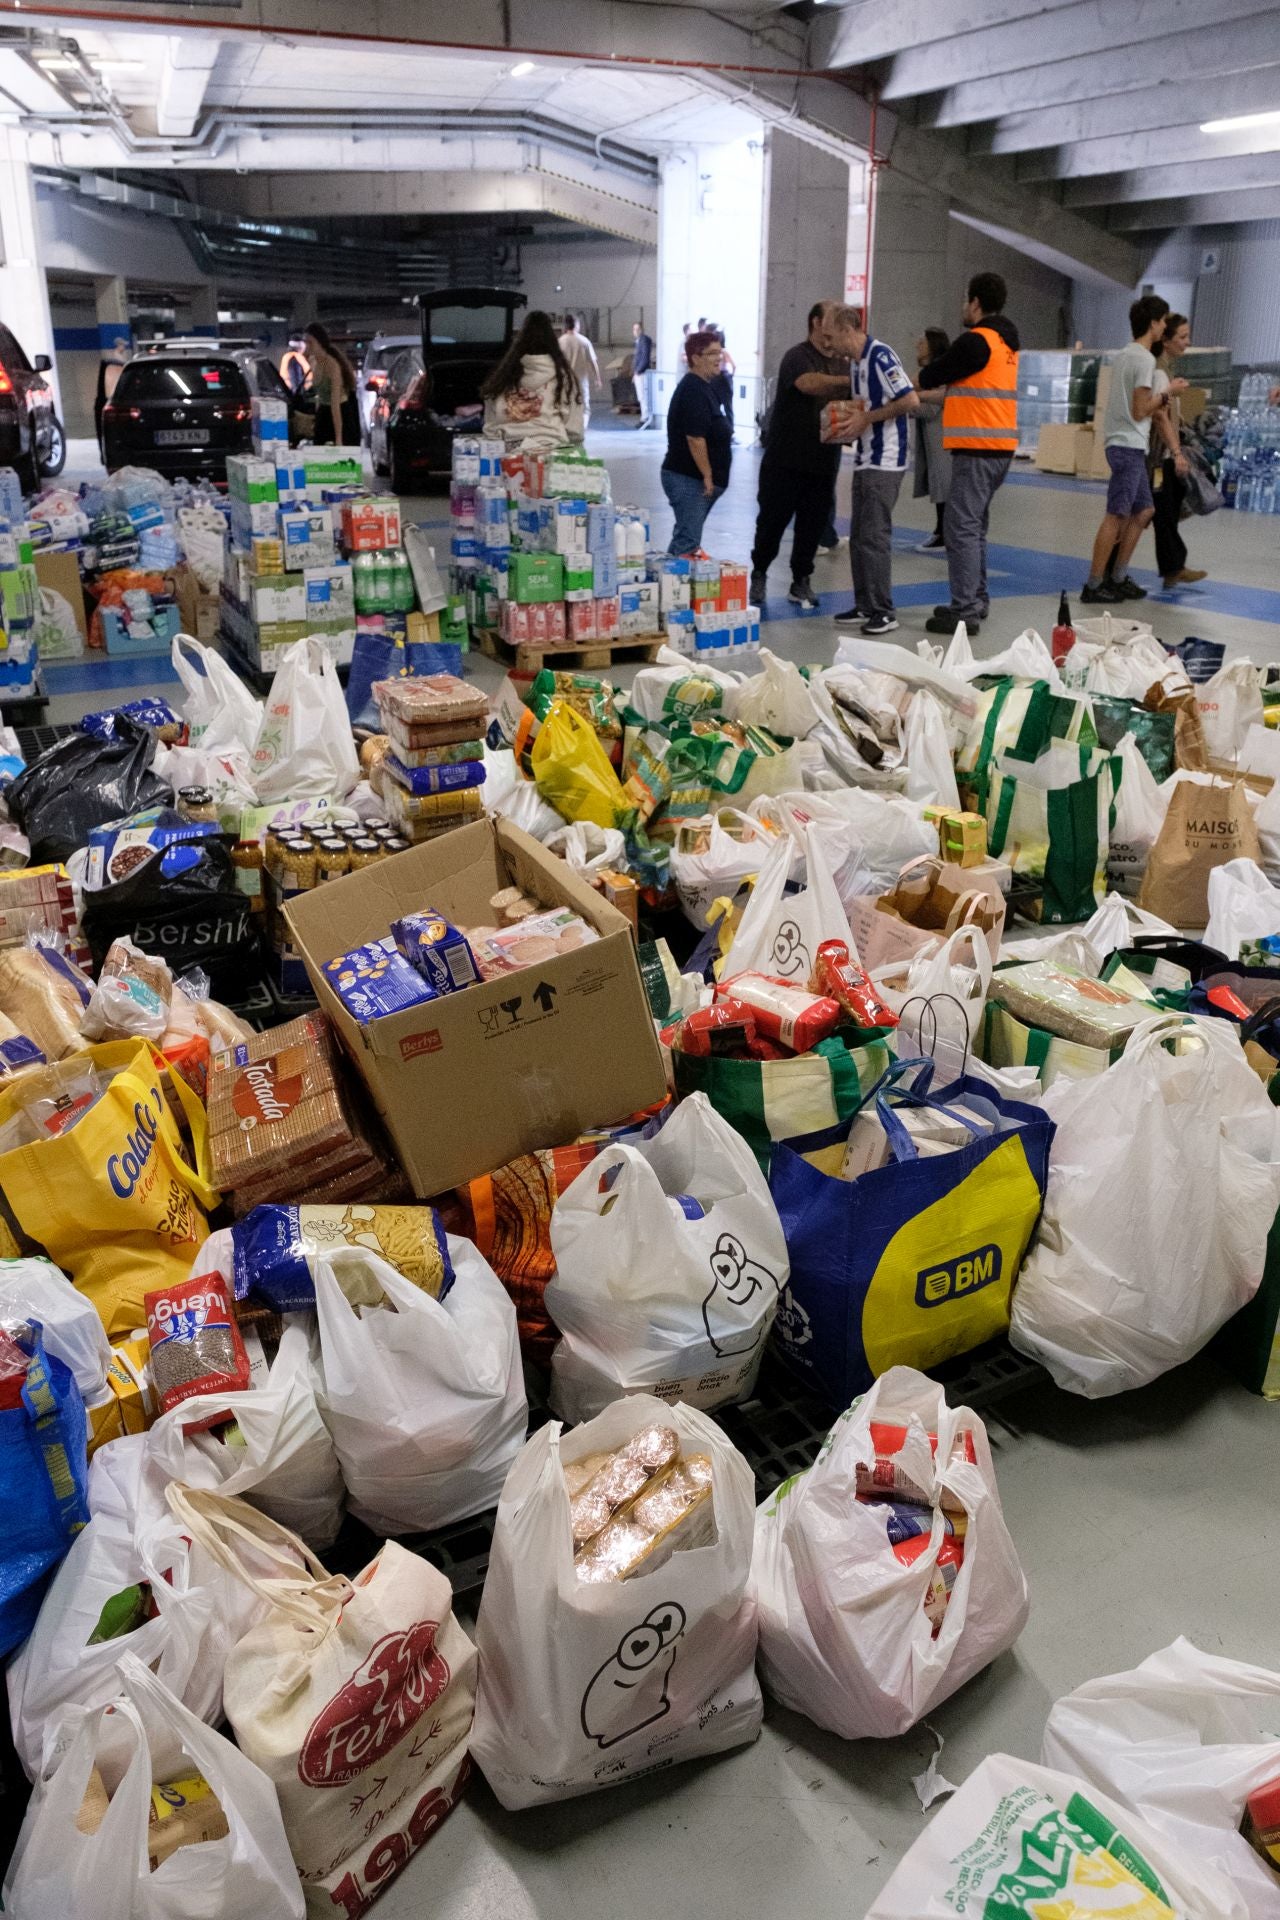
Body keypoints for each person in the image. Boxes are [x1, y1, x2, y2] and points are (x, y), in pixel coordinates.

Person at [918, 271, 1021, 638]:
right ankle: (975, 600)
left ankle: (965, 611)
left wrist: (922, 374)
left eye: (966, 299)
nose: (964, 306)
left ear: (975, 302)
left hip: (977, 447)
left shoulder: (978, 341)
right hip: (999, 448)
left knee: (960, 527)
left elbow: (934, 375)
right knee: (974, 527)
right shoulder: (1007, 344)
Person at [1081, 295, 1183, 605]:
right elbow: (1141, 410)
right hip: (1127, 443)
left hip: (1126, 444)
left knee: (1144, 509)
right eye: (1163, 321)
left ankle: (1118, 576)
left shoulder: (1125, 354)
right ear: (1153, 324)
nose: (1165, 326)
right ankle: (1095, 583)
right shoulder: (1144, 359)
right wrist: (1168, 393)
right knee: (1116, 514)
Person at [749, 300, 849, 612]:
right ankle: (760, 573)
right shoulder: (798, 356)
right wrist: (850, 381)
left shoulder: (844, 362)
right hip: (785, 460)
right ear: (817, 323)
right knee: (772, 522)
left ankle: (801, 580)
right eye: (834, 318)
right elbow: (808, 383)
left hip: (823, 462)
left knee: (812, 525)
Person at [827, 304, 919, 637]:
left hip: (886, 459)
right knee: (860, 537)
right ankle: (865, 603)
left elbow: (909, 401)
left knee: (875, 535)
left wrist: (867, 419)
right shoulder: (855, 365)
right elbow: (863, 408)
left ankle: (884, 609)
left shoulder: (881, 357)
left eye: (830, 335)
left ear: (847, 330)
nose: (828, 343)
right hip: (865, 457)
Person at [661, 329, 732, 556]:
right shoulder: (693, 390)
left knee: (686, 536)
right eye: (712, 353)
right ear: (695, 358)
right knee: (687, 541)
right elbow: (695, 438)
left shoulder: (704, 387)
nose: (718, 358)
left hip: (694, 479)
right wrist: (708, 475)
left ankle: (672, 580)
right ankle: (675, 585)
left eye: (720, 352)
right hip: (688, 478)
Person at [1148, 314, 1206, 591]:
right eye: (1182, 337)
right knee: (1158, 513)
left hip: (1165, 455)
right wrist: (1176, 452)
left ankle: (1173, 568)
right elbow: (1158, 416)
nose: (1187, 342)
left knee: (1165, 512)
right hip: (1160, 457)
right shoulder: (1159, 372)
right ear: (1166, 340)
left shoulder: (1166, 371)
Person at [481, 309, 584, 452]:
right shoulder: (564, 377)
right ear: (552, 340)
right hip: (551, 451)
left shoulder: (504, 376)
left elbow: (490, 427)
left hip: (508, 455)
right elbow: (574, 429)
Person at [912, 328, 952, 553]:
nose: (918, 345)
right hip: (932, 439)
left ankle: (945, 533)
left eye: (923, 342)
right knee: (939, 486)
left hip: (942, 439)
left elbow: (930, 409)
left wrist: (905, 404)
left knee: (944, 486)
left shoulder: (939, 374)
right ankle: (940, 530)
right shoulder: (928, 374)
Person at [305, 322, 359, 446]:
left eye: (310, 342)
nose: (308, 346)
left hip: (340, 412)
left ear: (320, 343)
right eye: (306, 342)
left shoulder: (332, 366)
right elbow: (319, 394)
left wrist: (338, 438)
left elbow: (335, 405)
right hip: (324, 412)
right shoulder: (315, 362)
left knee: (341, 459)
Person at [557, 314, 601, 427]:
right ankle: (581, 431)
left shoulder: (559, 342)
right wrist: (598, 379)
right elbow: (593, 362)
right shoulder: (584, 341)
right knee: (584, 408)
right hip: (581, 381)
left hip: (564, 381)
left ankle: (566, 431)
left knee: (565, 406)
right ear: (577, 325)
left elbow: (554, 364)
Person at [631, 320, 654, 425]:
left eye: (637, 329)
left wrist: (638, 371)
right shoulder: (639, 341)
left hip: (642, 373)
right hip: (638, 373)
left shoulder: (644, 340)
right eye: (634, 329)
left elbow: (644, 358)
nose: (635, 331)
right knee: (641, 396)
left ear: (641, 330)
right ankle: (644, 417)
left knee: (643, 396)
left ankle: (645, 418)